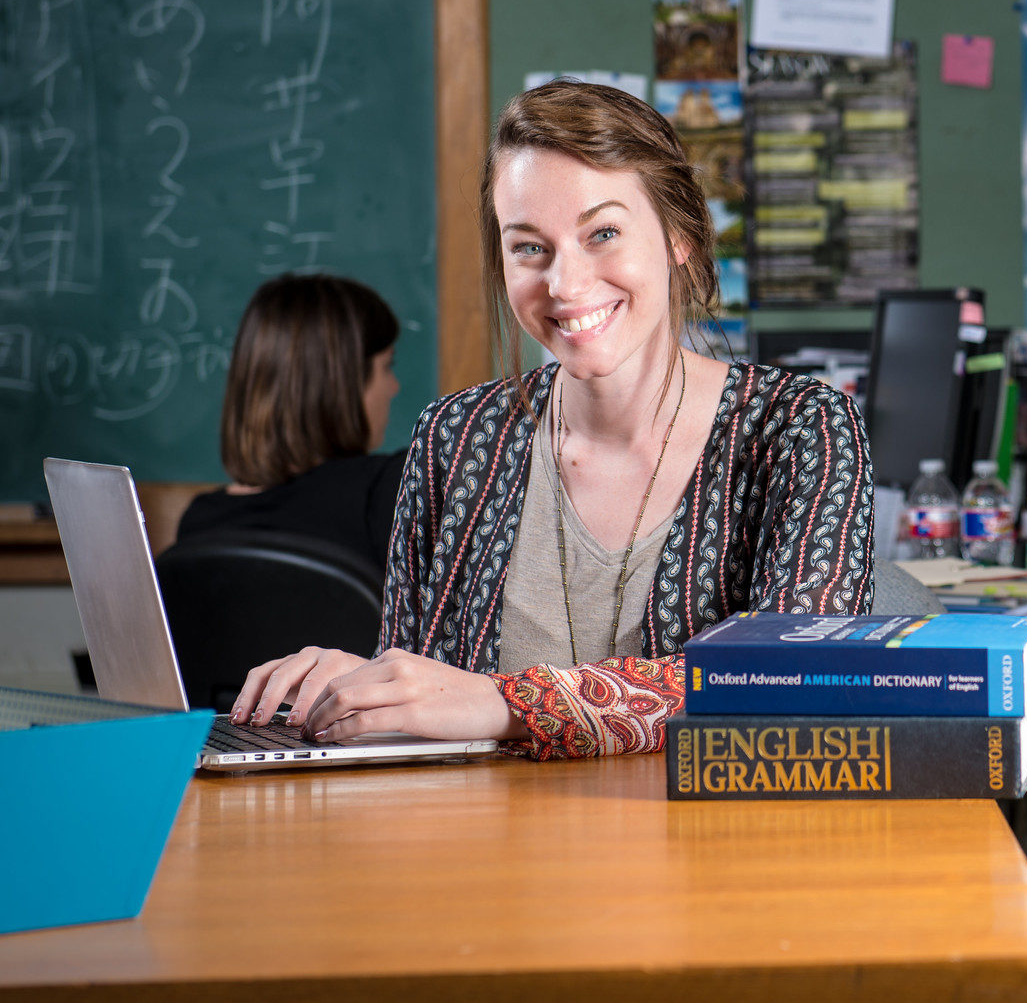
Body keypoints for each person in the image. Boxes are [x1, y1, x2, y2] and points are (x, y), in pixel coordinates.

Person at [231, 82, 874, 759]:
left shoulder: (802, 427)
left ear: (678, 236)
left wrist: (506, 703)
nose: (564, 283)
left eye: (602, 233)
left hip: (707, 854)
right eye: (529, 248)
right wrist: (359, 690)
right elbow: (422, 714)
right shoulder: (455, 438)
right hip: (482, 855)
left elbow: (793, 678)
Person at [176, 272, 406, 580]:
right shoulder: (389, 491)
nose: (394, 387)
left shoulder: (199, 524)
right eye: (387, 366)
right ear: (343, 381)